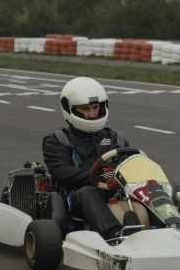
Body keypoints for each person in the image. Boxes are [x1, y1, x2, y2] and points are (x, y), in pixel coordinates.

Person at [42, 77, 130, 241]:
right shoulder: (58, 140)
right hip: (76, 199)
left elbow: (131, 163)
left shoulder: (115, 138)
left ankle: (168, 226)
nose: (92, 114)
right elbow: (62, 173)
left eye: (95, 107)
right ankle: (115, 236)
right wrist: (101, 176)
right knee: (87, 192)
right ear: (71, 110)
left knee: (153, 186)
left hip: (117, 192)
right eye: (85, 109)